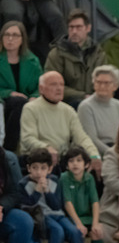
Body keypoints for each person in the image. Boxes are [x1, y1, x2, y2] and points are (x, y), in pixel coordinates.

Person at [18, 147, 83, 243]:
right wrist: (37, 191)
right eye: (35, 168)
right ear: (29, 168)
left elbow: (56, 205)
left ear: (50, 169)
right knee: (57, 231)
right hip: (41, 216)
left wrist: (47, 191)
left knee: (75, 232)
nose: (39, 172)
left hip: (58, 214)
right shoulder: (23, 184)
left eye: (43, 168)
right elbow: (27, 205)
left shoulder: (54, 180)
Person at [19, 71, 100, 170]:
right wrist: (47, 148)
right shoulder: (30, 108)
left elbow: (81, 137)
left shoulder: (68, 110)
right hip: (37, 159)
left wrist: (94, 155)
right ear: (41, 89)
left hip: (62, 159)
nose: (59, 88)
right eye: (53, 84)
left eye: (61, 84)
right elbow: (28, 139)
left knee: (92, 167)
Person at [43, 9, 107, 109]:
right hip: (65, 103)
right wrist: (82, 96)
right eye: (71, 27)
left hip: (94, 101)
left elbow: (105, 80)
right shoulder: (57, 54)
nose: (74, 31)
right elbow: (52, 85)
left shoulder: (98, 53)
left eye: (79, 27)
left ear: (88, 28)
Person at [59, 145, 102, 243]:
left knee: (98, 232)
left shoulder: (89, 178)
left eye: (78, 160)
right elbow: (68, 203)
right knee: (79, 233)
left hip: (87, 217)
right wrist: (78, 223)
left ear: (86, 164)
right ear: (66, 165)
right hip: (71, 217)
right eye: (71, 161)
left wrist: (95, 223)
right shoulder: (64, 178)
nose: (75, 164)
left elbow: (95, 202)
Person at [0, 20, 40, 153]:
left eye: (15, 35)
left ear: (22, 39)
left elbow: (40, 85)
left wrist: (34, 97)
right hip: (3, 101)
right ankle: (8, 148)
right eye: (7, 35)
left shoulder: (32, 61)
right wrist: (9, 93)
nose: (10, 39)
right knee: (19, 103)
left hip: (26, 103)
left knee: (24, 104)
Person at [77, 65, 119, 158]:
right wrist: (113, 153)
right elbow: (91, 139)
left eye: (107, 83)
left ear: (115, 86)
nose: (102, 86)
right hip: (98, 153)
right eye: (98, 82)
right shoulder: (86, 106)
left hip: (118, 150)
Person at [0, 144, 30, 243]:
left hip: (2, 212)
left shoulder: (8, 158)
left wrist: (1, 206)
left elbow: (16, 192)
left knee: (23, 221)